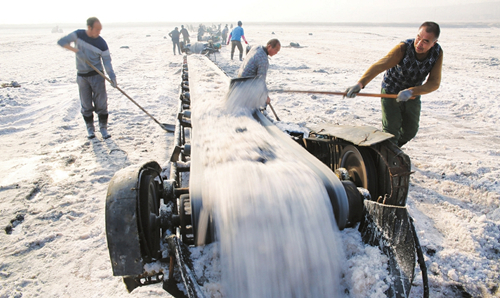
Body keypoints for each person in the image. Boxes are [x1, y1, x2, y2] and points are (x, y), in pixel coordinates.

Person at [344, 21, 443, 147]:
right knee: (391, 131)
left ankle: (392, 149)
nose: (419, 43)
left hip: (412, 94)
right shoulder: (403, 48)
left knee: (410, 131)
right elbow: (380, 65)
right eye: (418, 37)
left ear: (434, 43)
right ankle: (389, 153)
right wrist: (360, 84)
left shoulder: (437, 53)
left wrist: (412, 91)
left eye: (425, 41)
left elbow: (434, 82)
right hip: (391, 89)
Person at [57, 17, 116, 139]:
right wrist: (76, 51)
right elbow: (62, 42)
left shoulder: (101, 43)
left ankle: (103, 128)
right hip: (82, 76)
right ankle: (90, 129)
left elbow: (107, 62)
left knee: (101, 104)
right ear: (89, 28)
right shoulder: (78, 35)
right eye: (97, 29)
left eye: (100, 29)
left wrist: (112, 77)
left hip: (97, 76)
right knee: (86, 104)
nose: (99, 32)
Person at [237, 39, 281, 105]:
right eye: (276, 50)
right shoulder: (263, 60)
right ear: (269, 46)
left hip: (239, 78)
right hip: (246, 84)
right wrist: (266, 96)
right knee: (263, 100)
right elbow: (261, 81)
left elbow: (248, 47)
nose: (276, 53)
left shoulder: (257, 47)